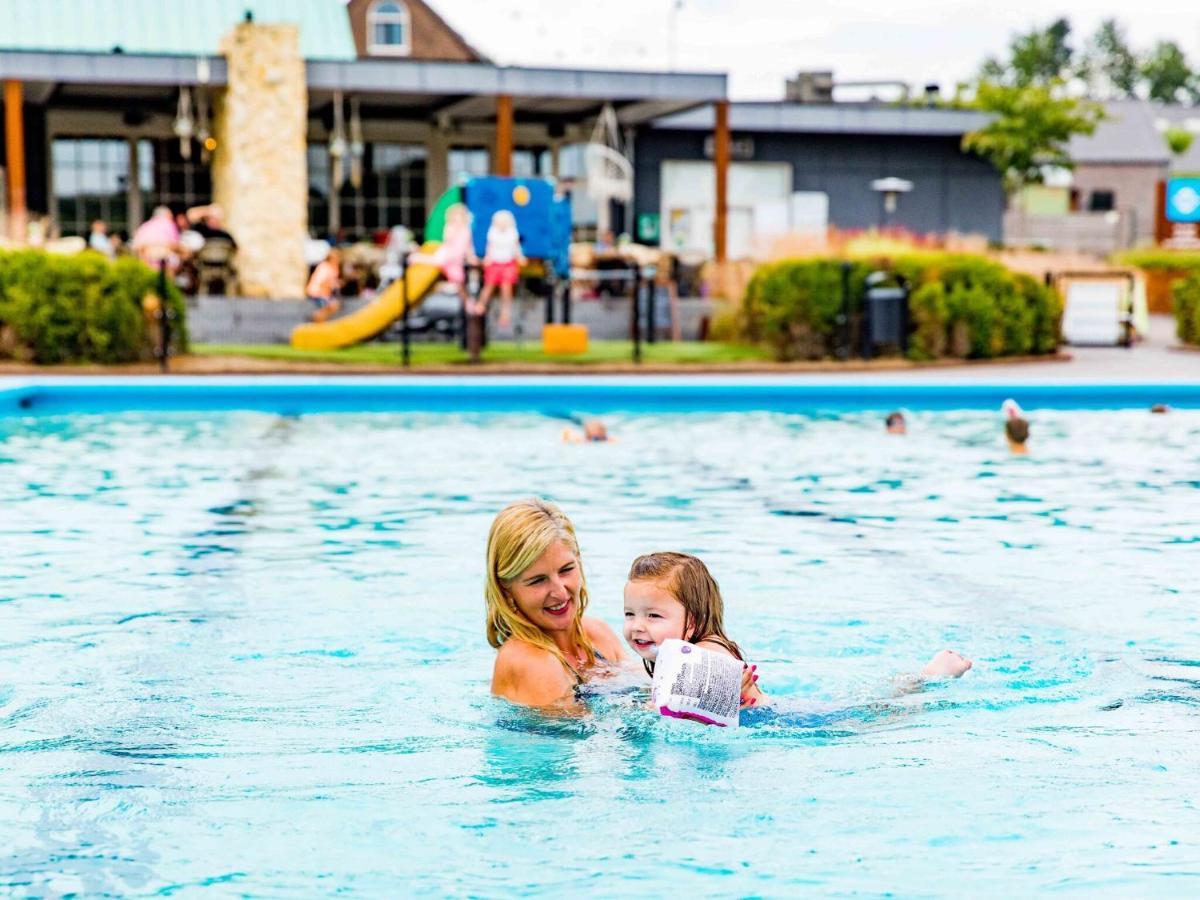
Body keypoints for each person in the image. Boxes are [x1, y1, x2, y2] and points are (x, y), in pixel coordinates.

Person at [622, 552, 971, 711]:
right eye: (630, 613)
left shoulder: (710, 652)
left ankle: (932, 675)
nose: (637, 625)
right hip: (775, 718)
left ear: (694, 621)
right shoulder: (676, 655)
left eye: (653, 615)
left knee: (881, 712)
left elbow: (667, 710)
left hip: (795, 723)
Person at [486, 498, 626, 707]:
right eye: (538, 580)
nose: (560, 592)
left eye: (566, 569)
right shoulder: (528, 661)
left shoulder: (596, 634)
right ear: (506, 589)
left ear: (578, 560)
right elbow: (586, 736)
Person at [474, 210, 524, 328]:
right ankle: (481, 304)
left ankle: (505, 312)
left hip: (508, 263)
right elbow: (489, 247)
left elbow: (516, 248)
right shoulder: (492, 232)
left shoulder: (512, 233)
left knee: (506, 288)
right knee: (489, 285)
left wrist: (520, 257)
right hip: (495, 263)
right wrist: (487, 257)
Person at [306, 248, 343, 323]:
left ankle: (319, 320)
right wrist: (333, 285)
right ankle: (317, 321)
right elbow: (321, 282)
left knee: (333, 306)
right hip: (318, 293)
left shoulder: (332, 267)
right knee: (331, 306)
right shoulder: (325, 267)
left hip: (323, 293)